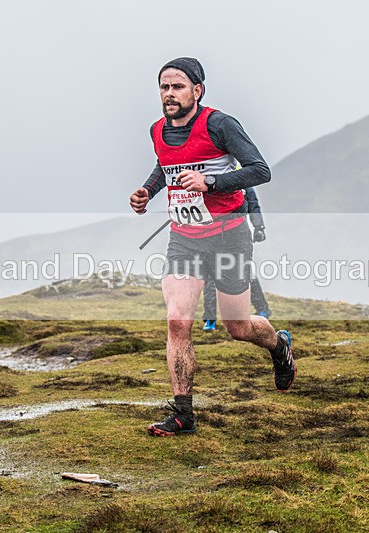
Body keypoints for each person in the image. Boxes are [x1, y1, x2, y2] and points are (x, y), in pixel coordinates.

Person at [129, 57, 296, 437]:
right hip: (184, 237)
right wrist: (147, 192)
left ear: (197, 91)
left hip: (229, 235)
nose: (169, 94)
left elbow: (259, 170)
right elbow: (164, 166)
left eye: (178, 87)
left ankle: (278, 345)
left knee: (238, 327)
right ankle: (183, 414)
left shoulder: (220, 125)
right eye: (164, 87)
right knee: (177, 320)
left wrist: (212, 183)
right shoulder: (158, 130)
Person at [202, 187, 271, 331]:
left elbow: (253, 203)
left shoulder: (241, 177)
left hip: (237, 236)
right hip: (211, 234)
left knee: (244, 273)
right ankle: (210, 319)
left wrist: (259, 227)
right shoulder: (208, 176)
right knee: (210, 275)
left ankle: (263, 310)